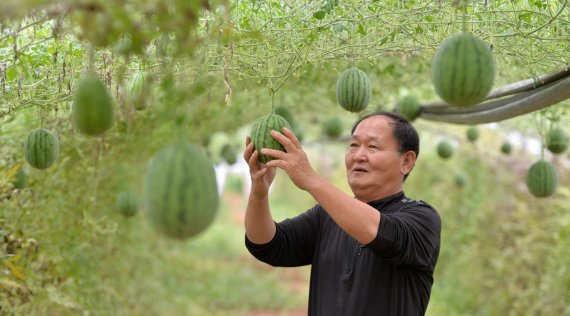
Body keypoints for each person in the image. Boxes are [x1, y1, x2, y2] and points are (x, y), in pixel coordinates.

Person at [243, 111, 441, 316]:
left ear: (406, 161)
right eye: (354, 145)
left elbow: (381, 231)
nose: (358, 155)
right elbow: (266, 244)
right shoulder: (326, 216)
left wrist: (310, 179)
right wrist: (259, 193)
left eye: (373, 146)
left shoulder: (422, 219)